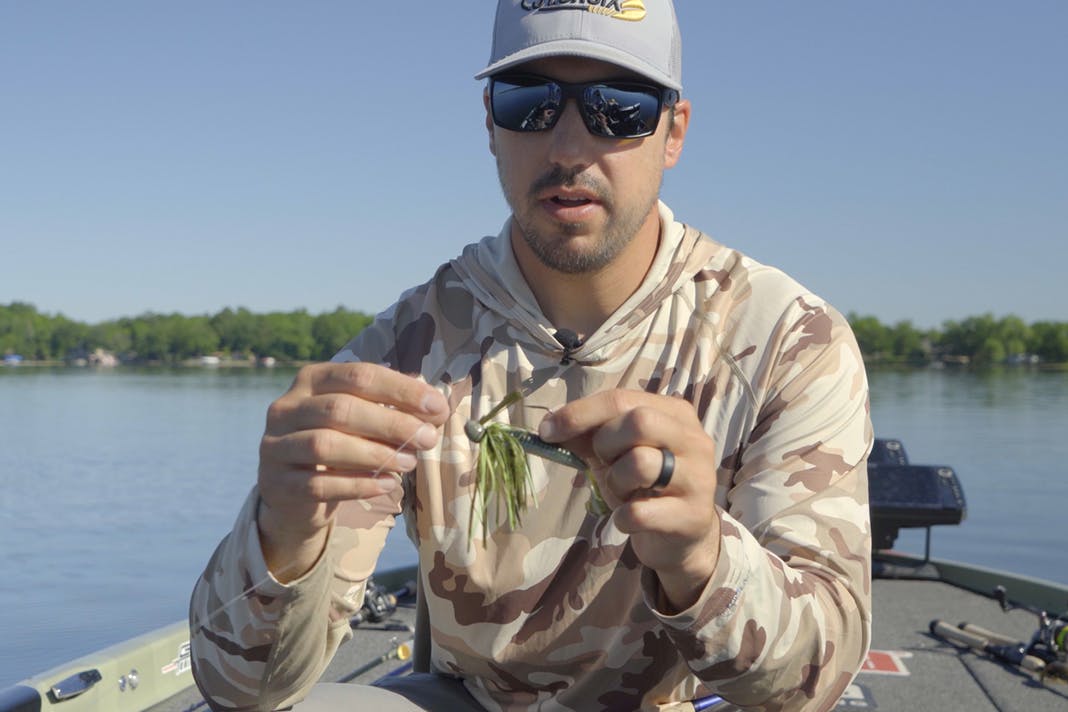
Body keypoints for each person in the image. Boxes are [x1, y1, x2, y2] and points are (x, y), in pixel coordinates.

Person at [189, 1, 873, 710]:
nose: (570, 148)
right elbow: (239, 690)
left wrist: (702, 557)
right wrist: (283, 533)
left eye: (619, 107)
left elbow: (811, 683)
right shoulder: (405, 351)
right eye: (532, 102)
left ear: (674, 131)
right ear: (490, 123)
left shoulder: (786, 339)